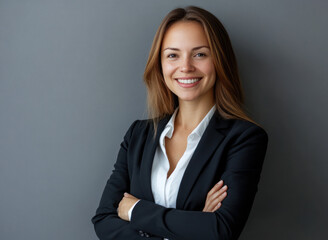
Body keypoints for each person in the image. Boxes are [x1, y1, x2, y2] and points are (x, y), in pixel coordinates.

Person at [91, 6, 268, 240]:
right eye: (173, 55)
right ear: (160, 64)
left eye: (200, 54)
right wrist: (193, 224)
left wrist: (134, 209)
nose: (185, 67)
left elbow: (221, 229)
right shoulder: (138, 134)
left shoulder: (245, 139)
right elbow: (104, 220)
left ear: (220, 61)